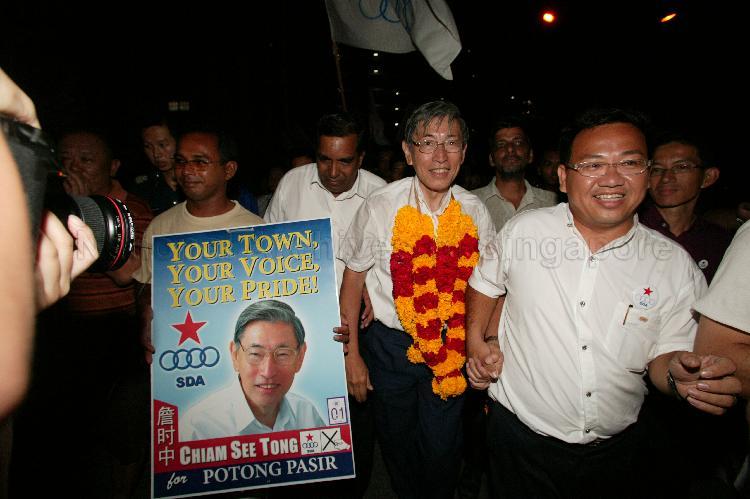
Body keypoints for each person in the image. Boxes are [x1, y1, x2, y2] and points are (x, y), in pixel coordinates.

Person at [465, 108, 741, 498]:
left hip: (619, 451)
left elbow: (665, 359)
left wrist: (682, 377)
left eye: (628, 163)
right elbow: (485, 282)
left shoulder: (674, 266)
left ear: (645, 173)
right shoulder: (525, 232)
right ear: (563, 177)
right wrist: (477, 340)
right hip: (520, 441)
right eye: (593, 164)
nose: (612, 178)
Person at [339, 101, 494, 498]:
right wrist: (351, 357)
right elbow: (353, 281)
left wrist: (485, 344)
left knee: (443, 448)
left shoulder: (475, 211)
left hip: (452, 345)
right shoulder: (380, 207)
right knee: (398, 445)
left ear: (464, 151)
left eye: (451, 143)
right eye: (427, 143)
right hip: (390, 348)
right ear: (408, 153)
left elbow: (491, 289)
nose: (440, 156)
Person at [265, 112, 385, 497]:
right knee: (303, 425)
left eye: (345, 161)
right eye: (324, 159)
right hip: (302, 328)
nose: (333, 171)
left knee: (356, 425)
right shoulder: (291, 185)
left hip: (362, 333)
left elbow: (392, 263)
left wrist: (372, 285)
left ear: (361, 158)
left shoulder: (382, 194)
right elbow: (265, 252)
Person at [134, 127, 264, 363]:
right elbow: (145, 287)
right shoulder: (160, 228)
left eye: (200, 162)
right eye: (181, 161)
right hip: (182, 359)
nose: (188, 170)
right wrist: (145, 314)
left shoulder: (254, 229)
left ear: (228, 170)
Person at [181, 300, 324, 439]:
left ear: (300, 357)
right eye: (255, 354)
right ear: (235, 355)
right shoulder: (196, 427)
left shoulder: (306, 414)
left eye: (282, 354)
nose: (268, 372)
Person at [640, 133, 732, 283]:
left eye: (681, 167)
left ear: (708, 177)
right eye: (657, 169)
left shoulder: (719, 243)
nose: (666, 178)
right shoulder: (629, 228)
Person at [472, 117, 557, 231]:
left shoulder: (552, 203)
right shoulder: (471, 203)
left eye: (518, 142)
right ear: (491, 159)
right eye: (501, 144)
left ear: (530, 155)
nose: (510, 149)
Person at [132, 117, 183, 214]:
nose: (156, 154)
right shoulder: (142, 188)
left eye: (162, 145)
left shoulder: (194, 182)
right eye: (148, 146)